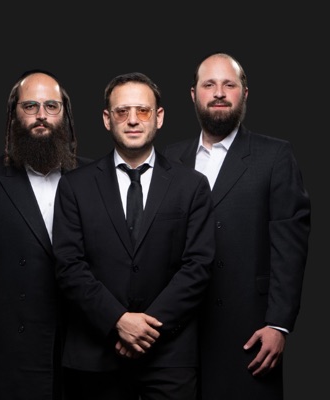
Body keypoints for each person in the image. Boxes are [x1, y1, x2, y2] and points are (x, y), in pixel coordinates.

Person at [52, 72, 216, 400]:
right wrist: (117, 321)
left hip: (170, 357)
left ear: (159, 117)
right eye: (122, 111)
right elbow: (69, 266)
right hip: (95, 356)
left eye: (142, 111)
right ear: (106, 119)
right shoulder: (74, 186)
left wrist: (145, 328)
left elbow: (198, 266)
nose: (132, 120)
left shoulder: (192, 185)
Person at [163, 52, 311, 399]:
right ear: (193, 94)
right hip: (177, 332)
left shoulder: (275, 156)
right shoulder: (169, 158)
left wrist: (278, 324)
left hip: (249, 328)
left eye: (228, 85)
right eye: (209, 85)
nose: (218, 93)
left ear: (244, 93)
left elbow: (289, 245)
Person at [0, 69, 92, 400]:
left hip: (76, 345)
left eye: (51, 106)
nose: (41, 115)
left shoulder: (92, 174)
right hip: (3, 347)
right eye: (30, 106)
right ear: (14, 114)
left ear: (65, 115)